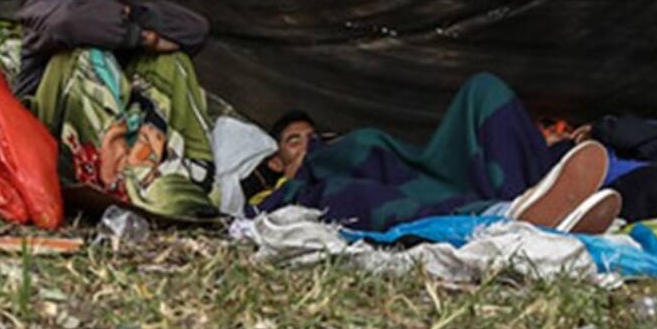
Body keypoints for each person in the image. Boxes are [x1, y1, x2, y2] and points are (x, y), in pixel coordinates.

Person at [249, 73, 622, 235]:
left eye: (314, 137)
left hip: (430, 176)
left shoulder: (353, 152)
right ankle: (511, 216)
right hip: (421, 198)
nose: (309, 143)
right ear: (275, 161)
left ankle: (543, 197)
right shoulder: (276, 195)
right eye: (294, 141)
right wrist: (307, 167)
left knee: (484, 89)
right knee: (350, 192)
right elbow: (253, 217)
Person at [15, 0, 219, 218]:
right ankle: (99, 175)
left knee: (173, 60)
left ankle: (192, 172)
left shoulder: (125, 13)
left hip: (125, 149)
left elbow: (196, 29)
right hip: (45, 148)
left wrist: (129, 17)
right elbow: (70, 23)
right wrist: (142, 38)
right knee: (85, 54)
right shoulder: (46, 9)